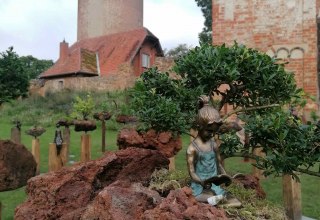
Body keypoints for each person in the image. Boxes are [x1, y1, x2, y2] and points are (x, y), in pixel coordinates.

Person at [187, 95, 241, 207]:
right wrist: (202, 182)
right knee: (209, 196)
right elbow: (192, 172)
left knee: (230, 199)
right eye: (209, 131)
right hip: (200, 187)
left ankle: (217, 199)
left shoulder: (213, 145)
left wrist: (225, 176)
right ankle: (213, 201)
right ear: (199, 126)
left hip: (214, 186)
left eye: (214, 132)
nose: (211, 134)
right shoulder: (192, 149)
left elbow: (218, 164)